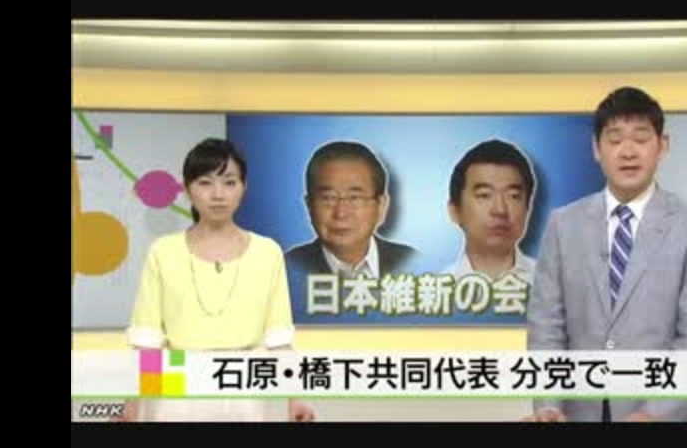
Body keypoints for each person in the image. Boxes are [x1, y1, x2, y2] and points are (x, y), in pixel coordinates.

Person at [525, 86, 687, 423]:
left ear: (663, 146)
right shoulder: (564, 224)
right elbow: (546, 327)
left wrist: (654, 413)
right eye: (615, 139)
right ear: (596, 148)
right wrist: (549, 405)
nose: (628, 151)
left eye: (641, 138)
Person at [116, 138, 315, 422]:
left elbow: (279, 339)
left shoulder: (267, 252)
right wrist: (132, 404)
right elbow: (148, 341)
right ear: (187, 189)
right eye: (205, 183)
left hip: (244, 386)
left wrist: (296, 399)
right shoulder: (163, 252)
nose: (218, 194)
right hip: (176, 386)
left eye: (229, 182)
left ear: (244, 187)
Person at [286, 141, 418, 279]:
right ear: (309, 206)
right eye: (328, 198)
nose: (341, 213)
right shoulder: (285, 268)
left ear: (381, 206)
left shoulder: (413, 263)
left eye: (355, 198)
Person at [443, 139, 536, 284]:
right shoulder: (437, 289)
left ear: (528, 208)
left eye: (513, 196)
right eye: (484, 195)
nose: (500, 210)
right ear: (454, 210)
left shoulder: (550, 282)